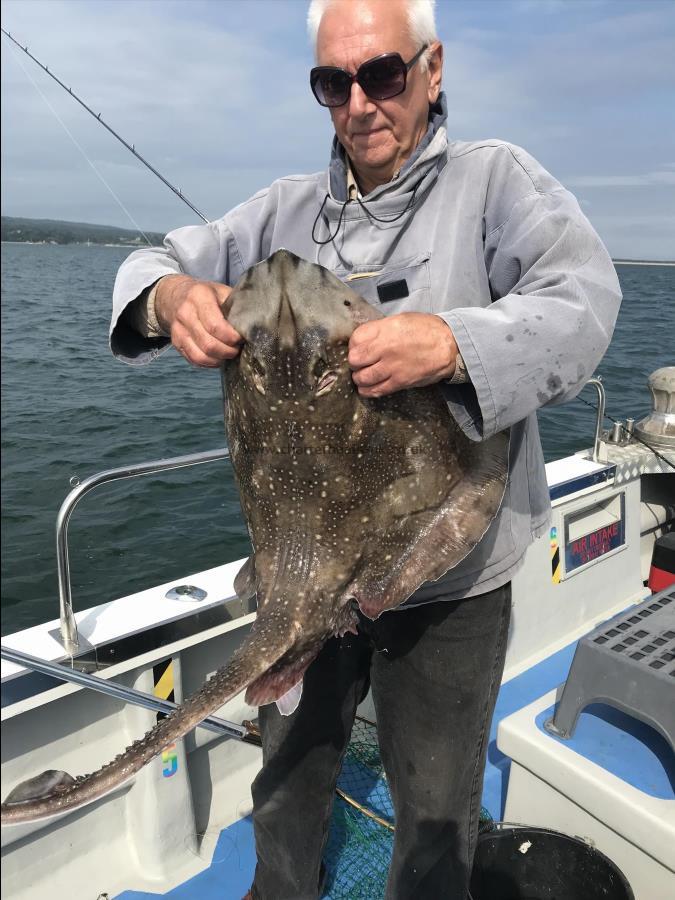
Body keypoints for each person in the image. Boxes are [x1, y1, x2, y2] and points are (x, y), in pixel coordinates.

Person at [111, 1, 622, 896]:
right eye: (331, 83)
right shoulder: (282, 210)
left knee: (434, 810)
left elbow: (584, 303)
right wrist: (168, 298)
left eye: (381, 74)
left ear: (431, 69)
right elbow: (149, 263)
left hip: (449, 575)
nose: (359, 103)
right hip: (299, 563)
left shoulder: (496, 183)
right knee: (284, 790)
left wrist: (453, 343)